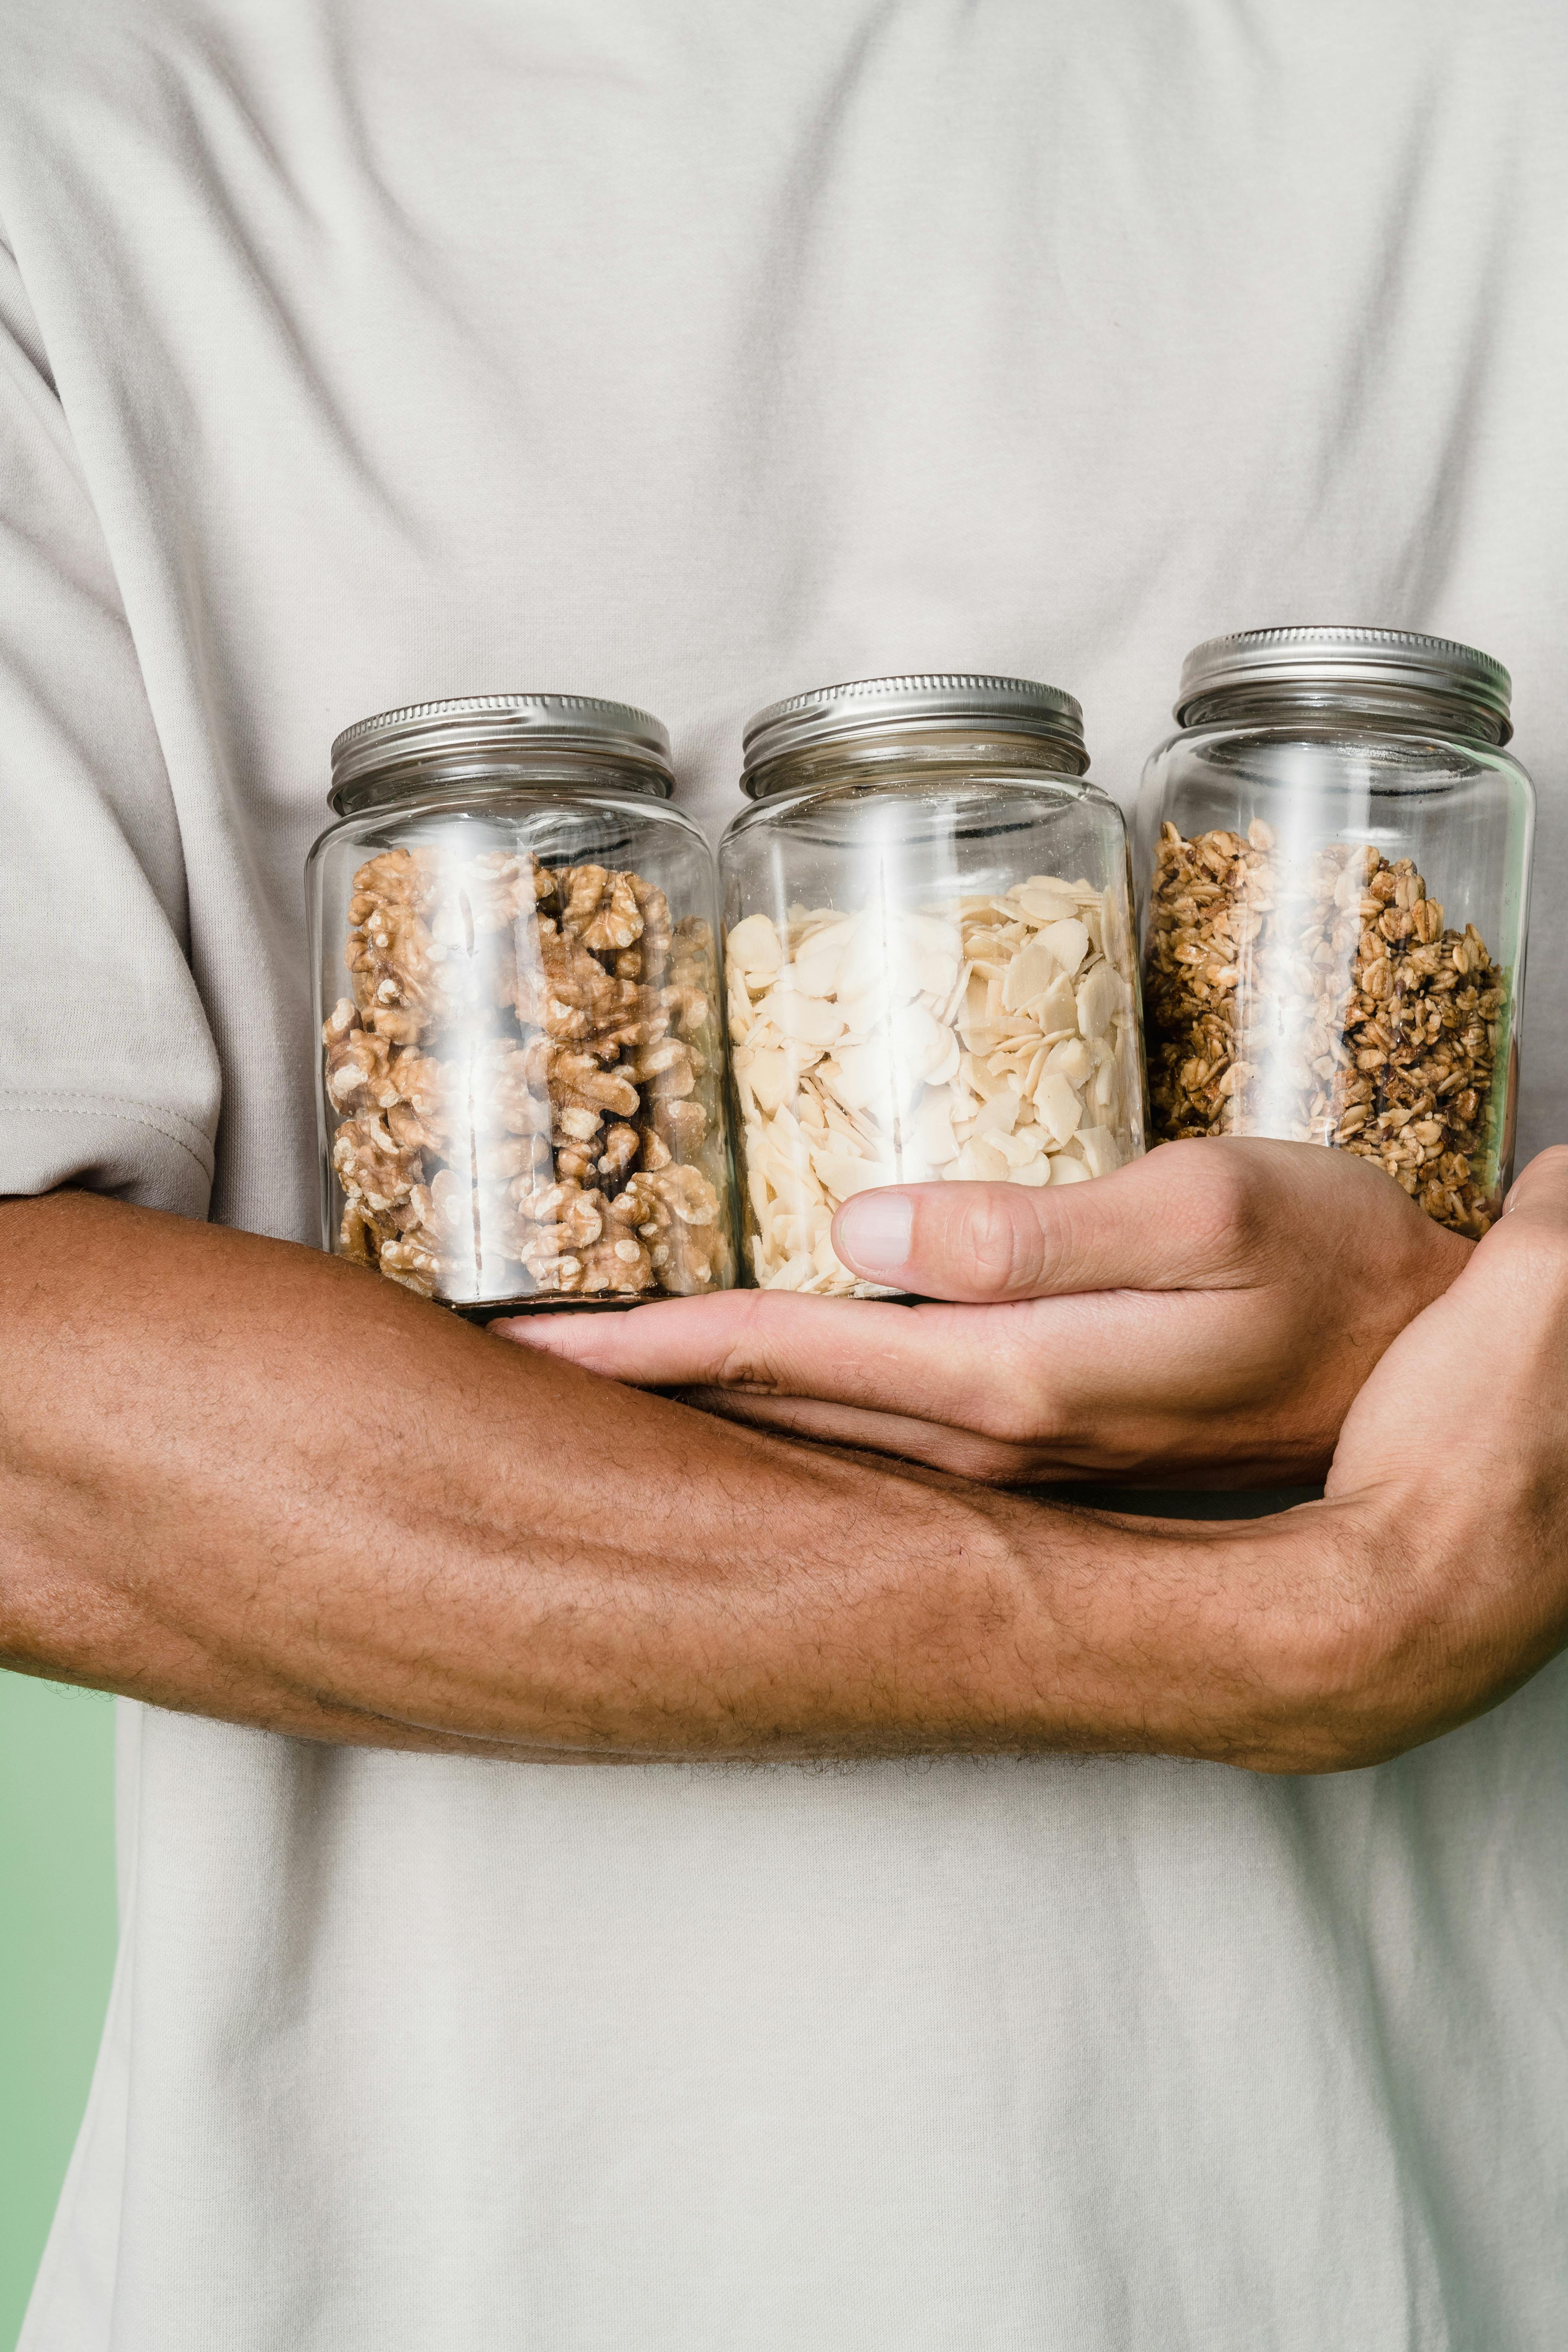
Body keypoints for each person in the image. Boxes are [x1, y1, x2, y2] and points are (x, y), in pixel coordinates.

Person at [4, 2, 1566, 2345]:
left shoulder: (1498, 99)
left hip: (1387, 2228)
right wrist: (1296, 1619)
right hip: (418, 2265)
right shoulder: (76, 140)